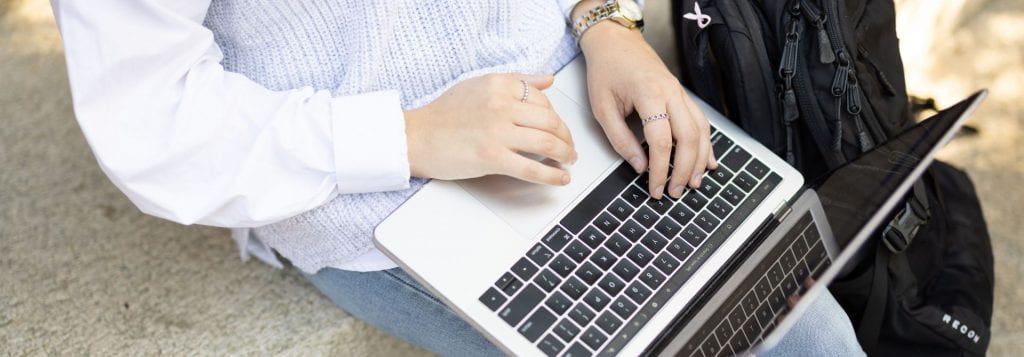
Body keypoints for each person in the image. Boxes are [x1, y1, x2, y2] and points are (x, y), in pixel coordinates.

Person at [50, 0, 864, 355]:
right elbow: (151, 117)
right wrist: (408, 136)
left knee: (808, 321)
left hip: (578, 82)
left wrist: (606, 22)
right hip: (382, 188)